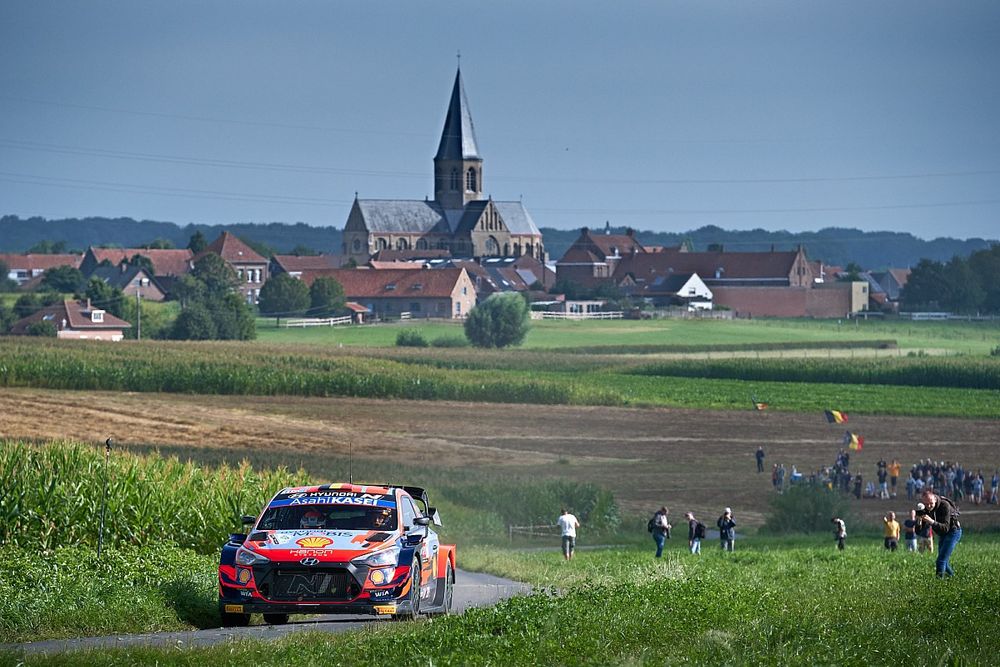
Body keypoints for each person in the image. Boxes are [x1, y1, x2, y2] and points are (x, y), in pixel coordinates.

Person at [918, 490, 962, 577]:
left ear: (935, 499)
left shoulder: (944, 505)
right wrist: (919, 520)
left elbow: (945, 528)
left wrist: (931, 522)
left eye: (931, 503)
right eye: (926, 504)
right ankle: (953, 578)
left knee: (940, 561)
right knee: (943, 562)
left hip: (953, 532)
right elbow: (919, 530)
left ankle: (939, 585)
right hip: (942, 534)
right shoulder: (926, 508)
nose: (929, 506)